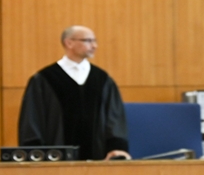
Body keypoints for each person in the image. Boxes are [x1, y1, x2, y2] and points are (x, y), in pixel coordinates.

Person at [18, 25, 130, 160]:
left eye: (95, 41)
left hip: (98, 157)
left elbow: (114, 118)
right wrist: (36, 154)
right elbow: (32, 119)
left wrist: (116, 147)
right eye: (88, 41)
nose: (94, 46)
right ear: (69, 43)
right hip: (56, 160)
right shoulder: (44, 79)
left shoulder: (102, 79)